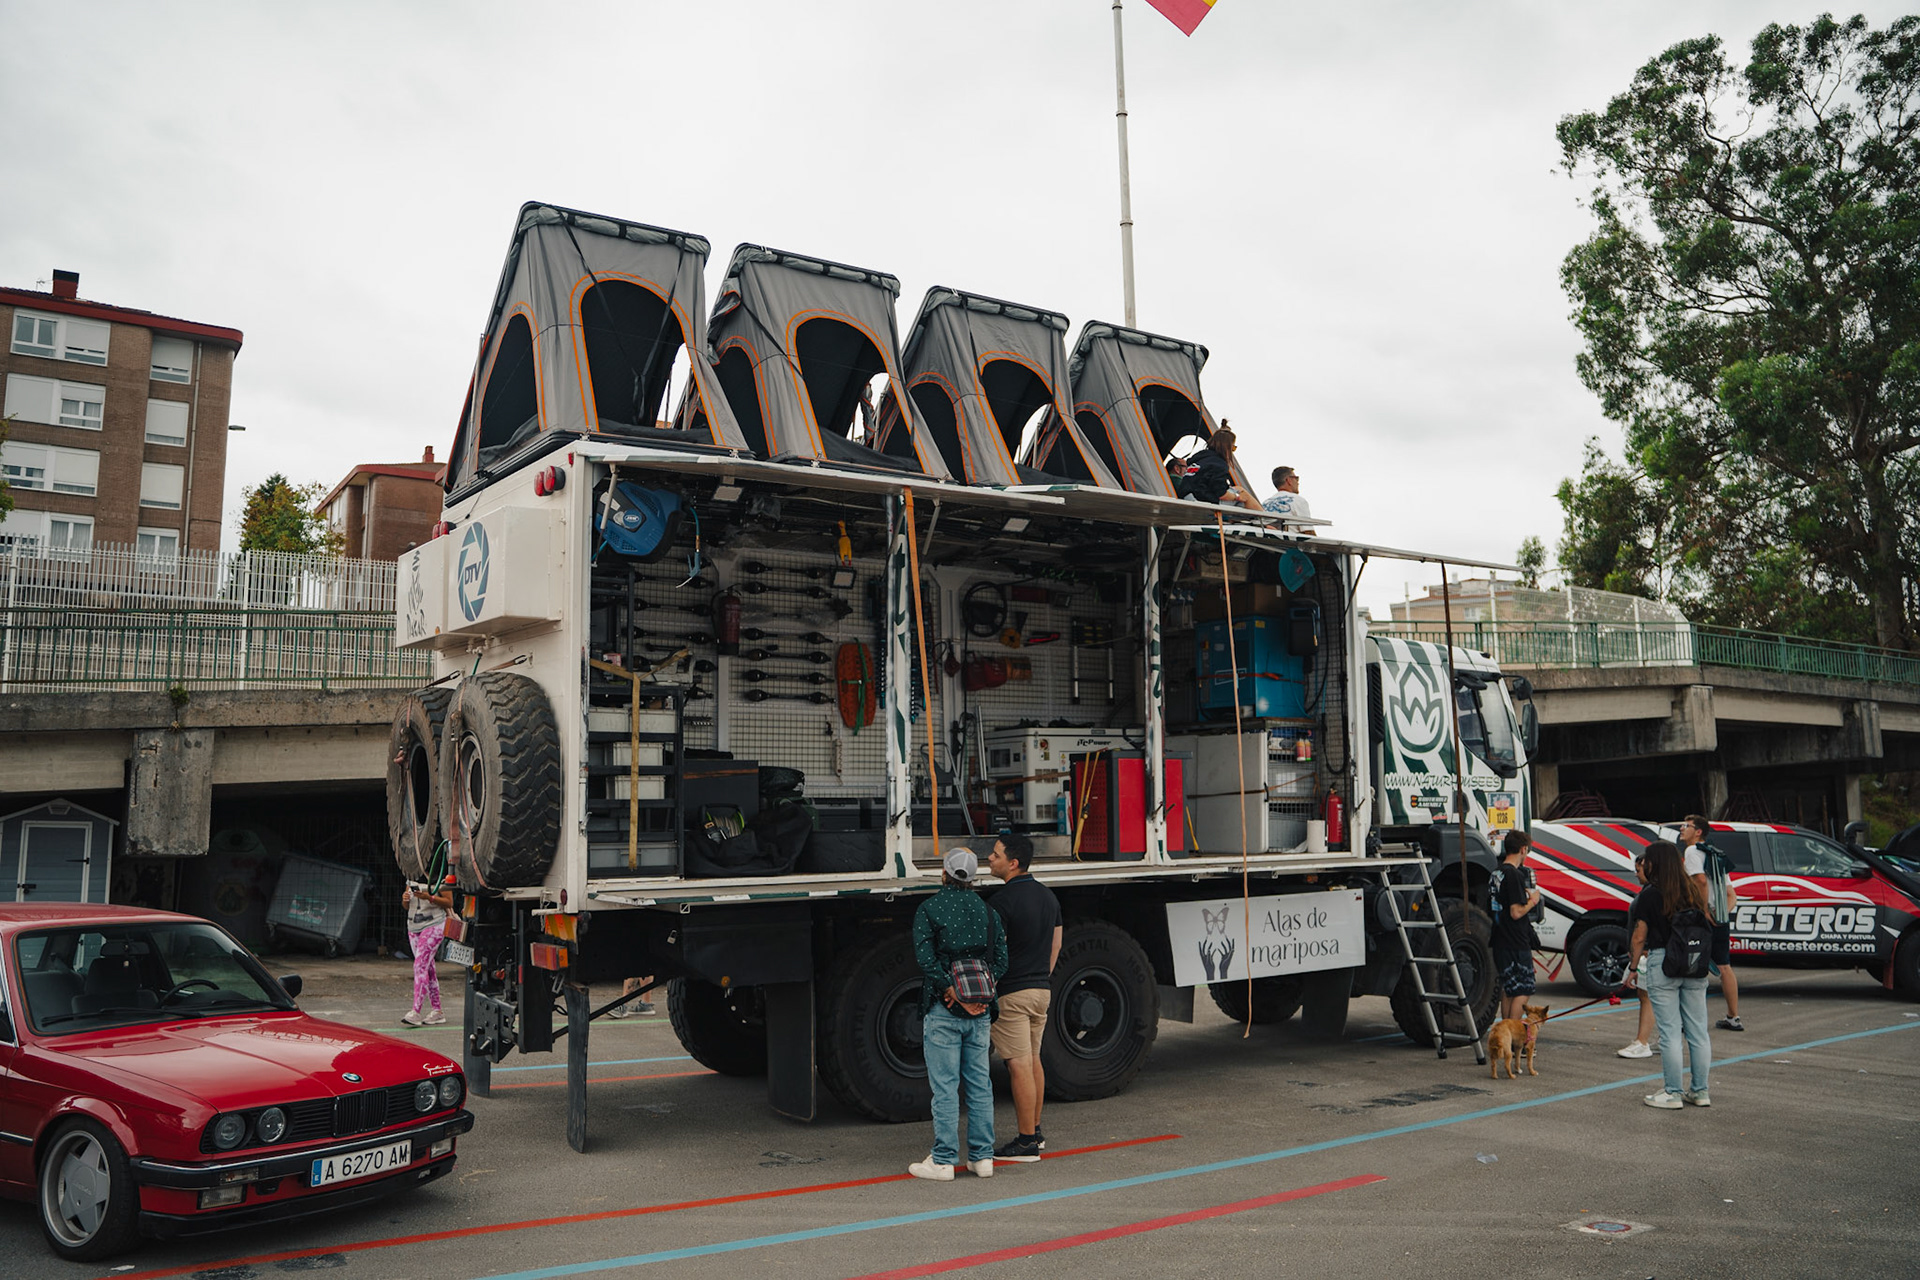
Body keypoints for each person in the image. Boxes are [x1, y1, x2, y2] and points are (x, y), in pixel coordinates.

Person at [909, 848, 1008, 1181]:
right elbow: (1001, 961)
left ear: (944, 873)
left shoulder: (929, 909)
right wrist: (979, 995)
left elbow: (925, 960)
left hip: (943, 1009)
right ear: (973, 877)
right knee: (980, 1085)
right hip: (980, 1011)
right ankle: (982, 1158)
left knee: (946, 1088)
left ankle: (943, 1160)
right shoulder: (989, 912)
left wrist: (952, 991)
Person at [985, 833, 1061, 1164]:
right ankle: (1036, 1131)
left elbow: (994, 952)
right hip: (1041, 990)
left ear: (1013, 863)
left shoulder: (1001, 902)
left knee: (1018, 1066)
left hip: (1012, 993)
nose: (990, 859)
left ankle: (1026, 1142)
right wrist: (1041, 975)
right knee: (1032, 1060)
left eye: (996, 854)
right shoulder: (1049, 897)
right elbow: (1056, 944)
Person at [1624, 840, 1712, 1109]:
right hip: (1694, 962)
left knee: (1670, 1033)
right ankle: (1700, 1091)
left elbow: (1639, 936)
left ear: (1654, 863)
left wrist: (1633, 967)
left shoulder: (1650, 894)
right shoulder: (1692, 890)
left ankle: (1672, 1092)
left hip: (1663, 961)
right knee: (1698, 1032)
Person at [1679, 813, 1743, 1031]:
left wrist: (1704, 911)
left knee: (1692, 968)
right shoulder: (1715, 855)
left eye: (1686, 825)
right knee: (1724, 966)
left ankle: (1689, 1021)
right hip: (1720, 919)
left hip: (1700, 919)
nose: (1681, 829)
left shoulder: (1692, 851)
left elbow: (1700, 881)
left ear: (1698, 832)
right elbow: (1731, 895)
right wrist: (1720, 914)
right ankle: (1733, 1017)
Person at [1489, 830, 1542, 1023]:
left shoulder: (1496, 873)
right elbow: (1516, 911)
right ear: (1523, 849)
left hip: (1500, 938)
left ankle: (1505, 1031)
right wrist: (1533, 901)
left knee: (1509, 988)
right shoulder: (1514, 875)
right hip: (1515, 941)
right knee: (1524, 988)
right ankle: (1512, 1031)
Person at [1617, 851, 1660, 1059]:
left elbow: (1644, 929)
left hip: (1646, 952)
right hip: (1643, 952)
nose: (1636, 874)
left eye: (1639, 870)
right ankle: (1660, 1039)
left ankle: (1642, 1041)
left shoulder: (1651, 893)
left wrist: (1639, 953)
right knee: (1649, 996)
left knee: (1646, 996)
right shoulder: (1649, 890)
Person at [402, 877, 455, 1026]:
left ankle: (415, 1012)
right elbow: (406, 906)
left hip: (434, 924)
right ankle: (437, 1011)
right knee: (428, 968)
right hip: (413, 926)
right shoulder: (411, 877)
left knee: (420, 966)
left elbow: (449, 902)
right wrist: (405, 899)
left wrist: (429, 897)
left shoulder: (441, 877)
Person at [1174, 425, 1259, 509]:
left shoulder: (1200, 459)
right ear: (1227, 447)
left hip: (1186, 497)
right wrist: (1237, 497)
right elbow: (1221, 494)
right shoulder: (1219, 464)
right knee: (1245, 498)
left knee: (1239, 489)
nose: (1232, 452)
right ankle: (1264, 517)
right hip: (1199, 501)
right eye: (1233, 448)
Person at [1263, 466, 1314, 534]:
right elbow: (1308, 533)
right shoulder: (1298, 500)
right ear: (1289, 480)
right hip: (1289, 540)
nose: (1298, 482)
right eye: (1296, 478)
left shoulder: (1264, 503)